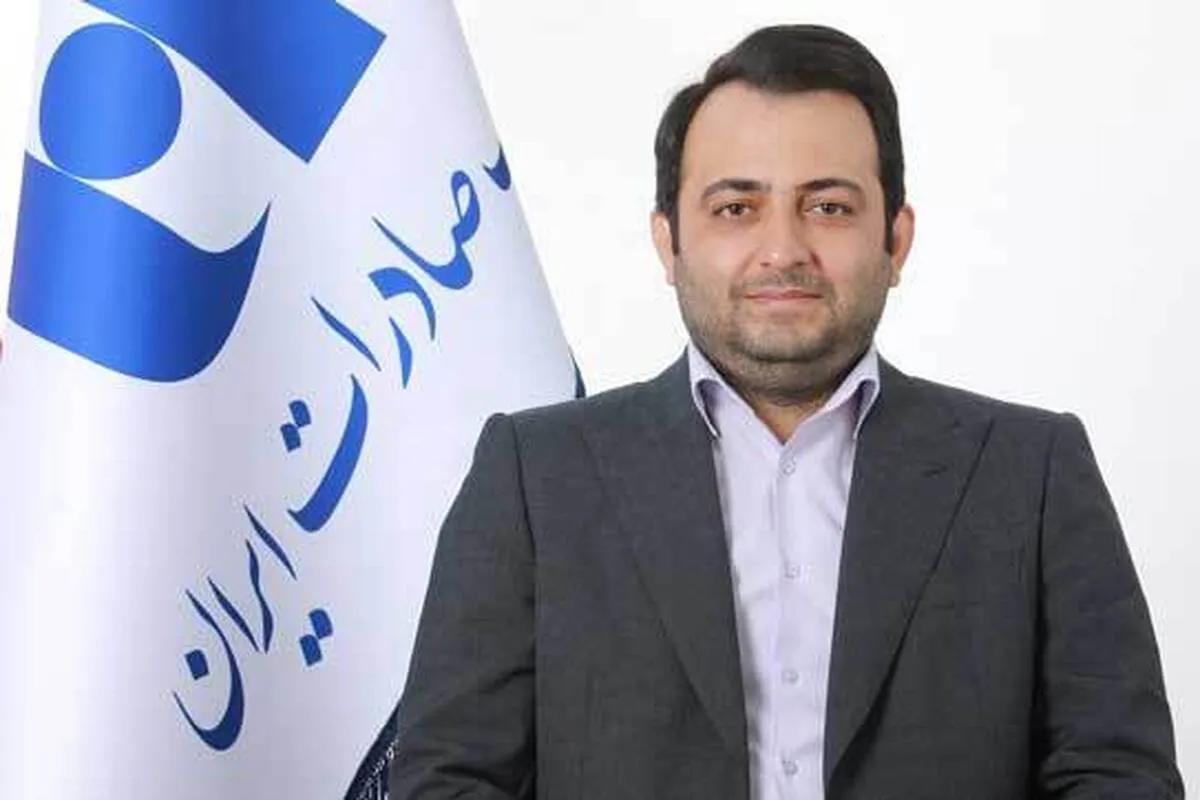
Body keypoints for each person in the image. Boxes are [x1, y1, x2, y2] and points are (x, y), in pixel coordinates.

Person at [388, 24, 1182, 799]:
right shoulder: (535, 478)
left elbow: (1120, 775)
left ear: (896, 240)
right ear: (668, 242)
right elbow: (449, 779)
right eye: (736, 208)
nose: (783, 249)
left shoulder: (1031, 473)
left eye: (828, 207)